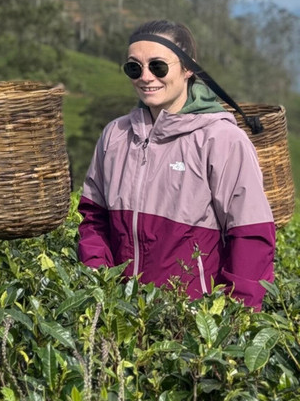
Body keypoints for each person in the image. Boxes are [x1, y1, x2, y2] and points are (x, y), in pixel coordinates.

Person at [78, 19, 276, 309]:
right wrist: (99, 284)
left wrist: (235, 318)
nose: (145, 77)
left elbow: (251, 236)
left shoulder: (222, 139)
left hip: (193, 323)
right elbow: (94, 219)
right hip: (122, 318)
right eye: (134, 67)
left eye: (158, 66)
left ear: (188, 68)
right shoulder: (115, 136)